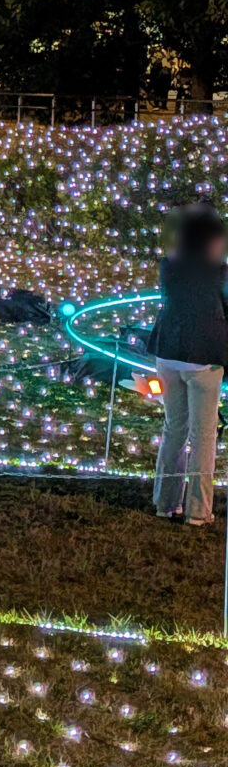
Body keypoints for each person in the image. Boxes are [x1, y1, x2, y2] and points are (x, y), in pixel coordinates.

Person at [147, 204, 228, 526]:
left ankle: (165, 503)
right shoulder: (221, 273)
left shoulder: (169, 266)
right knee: (204, 436)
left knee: (174, 430)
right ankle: (198, 511)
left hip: (168, 353)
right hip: (204, 359)